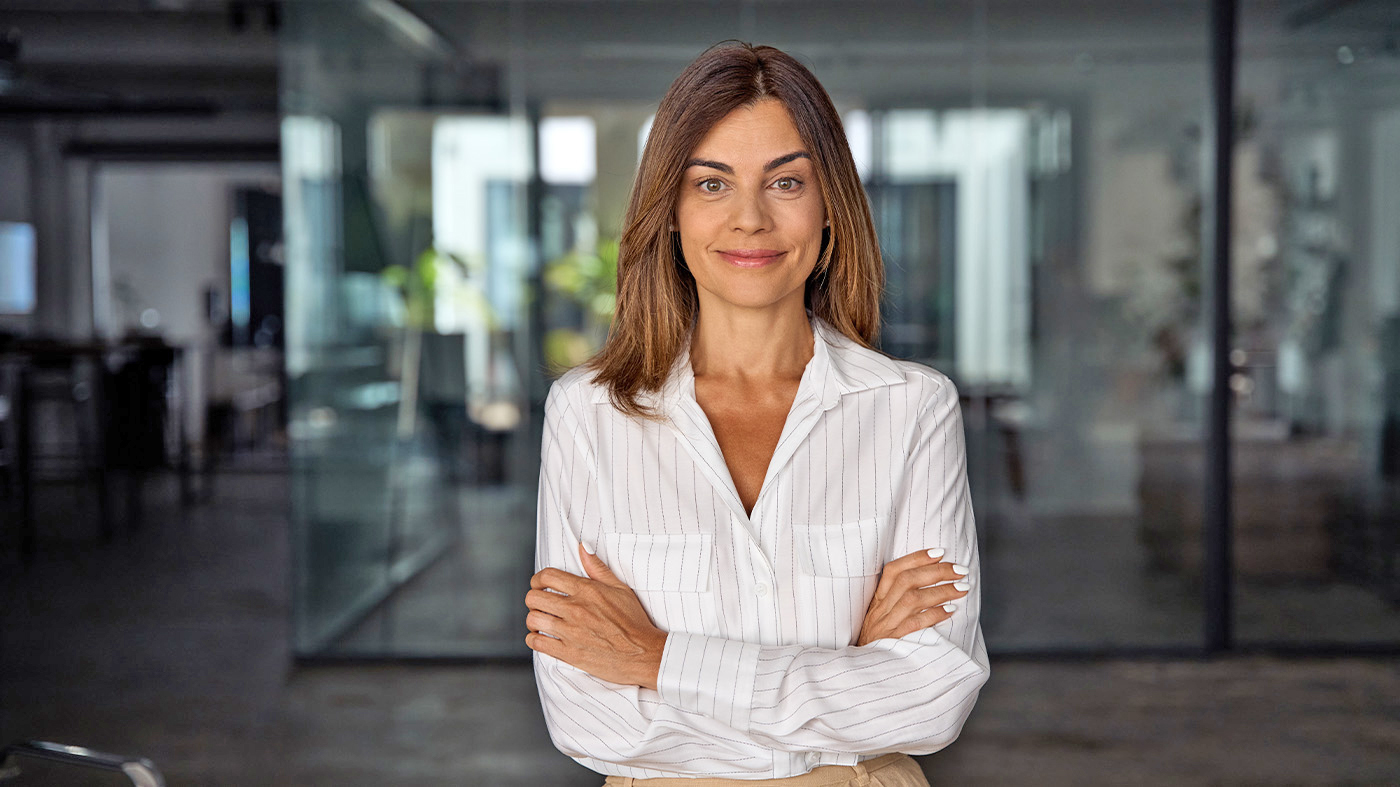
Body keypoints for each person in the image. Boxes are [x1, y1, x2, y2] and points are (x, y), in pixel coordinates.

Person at [525, 42, 988, 786]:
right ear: (669, 212)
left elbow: (932, 700)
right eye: (712, 183)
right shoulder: (587, 414)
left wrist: (655, 657)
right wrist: (848, 680)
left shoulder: (911, 408)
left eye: (786, 181)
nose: (750, 218)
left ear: (829, 203)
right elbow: (588, 714)